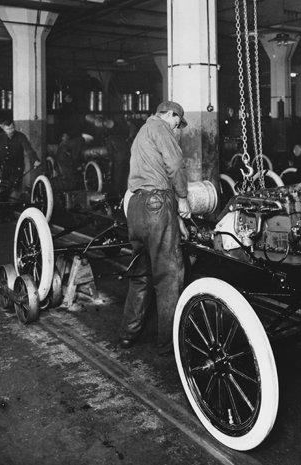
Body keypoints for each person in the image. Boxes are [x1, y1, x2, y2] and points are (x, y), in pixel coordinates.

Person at [119, 101, 191, 356]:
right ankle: (168, 342)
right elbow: (175, 164)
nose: (176, 128)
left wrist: (175, 220)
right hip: (157, 204)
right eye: (177, 122)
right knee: (169, 275)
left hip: (136, 206)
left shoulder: (141, 133)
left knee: (141, 274)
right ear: (170, 114)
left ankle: (128, 333)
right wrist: (182, 199)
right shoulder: (161, 129)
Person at [0, 117, 41, 200]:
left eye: (12, 128)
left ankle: (12, 208)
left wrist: (34, 159)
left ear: (14, 127)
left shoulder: (21, 136)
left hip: (16, 168)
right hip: (2, 168)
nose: (10, 131)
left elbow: (28, 149)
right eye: (8, 129)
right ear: (3, 128)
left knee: (15, 192)